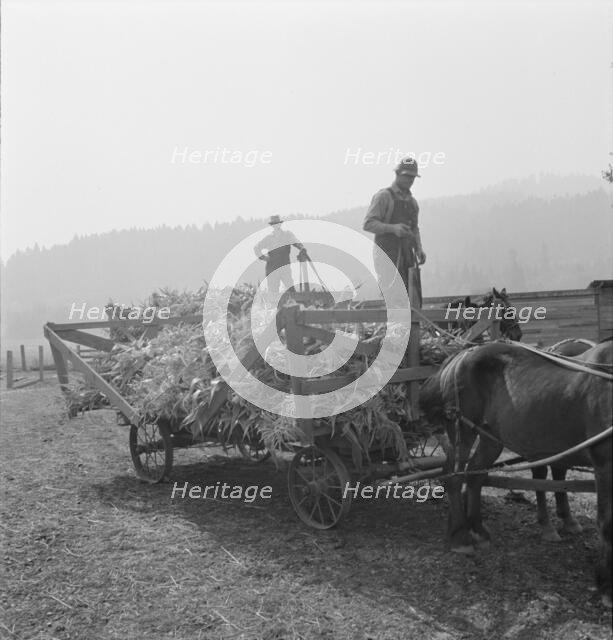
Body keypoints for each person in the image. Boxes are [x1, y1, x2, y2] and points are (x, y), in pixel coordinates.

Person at [362, 157, 426, 301]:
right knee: (393, 297)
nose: (410, 180)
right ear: (398, 174)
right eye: (407, 176)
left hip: (407, 255)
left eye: (413, 177)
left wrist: (419, 249)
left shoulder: (412, 203)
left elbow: (414, 228)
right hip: (387, 255)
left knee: (412, 297)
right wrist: (392, 229)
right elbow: (368, 223)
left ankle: (411, 324)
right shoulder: (384, 197)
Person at [254, 215, 308, 293]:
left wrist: (301, 248)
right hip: (272, 268)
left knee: (291, 290)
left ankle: (297, 303)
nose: (276, 225)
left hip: (284, 266)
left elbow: (295, 241)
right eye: (274, 224)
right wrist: (264, 257)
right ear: (272, 225)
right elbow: (256, 248)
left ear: (280, 224)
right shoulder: (269, 238)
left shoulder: (287, 234)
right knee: (273, 293)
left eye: (277, 223)